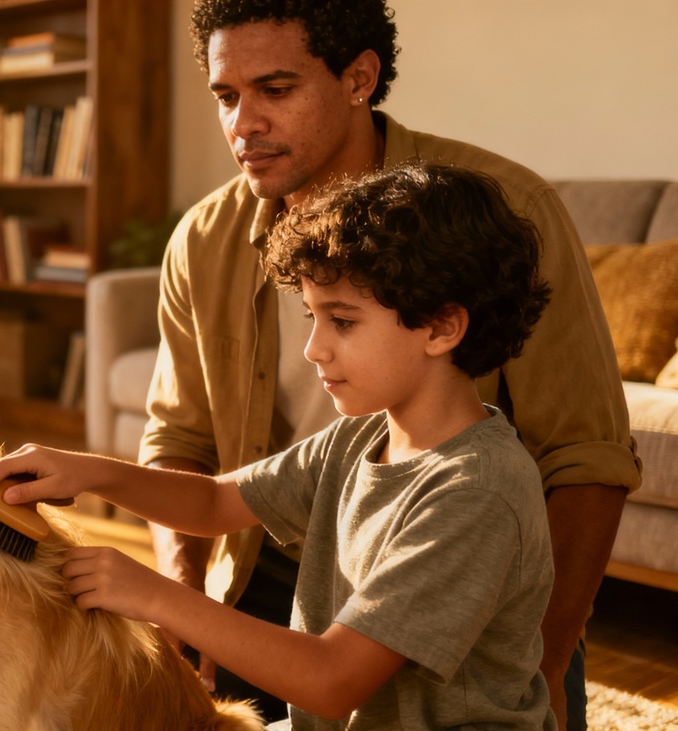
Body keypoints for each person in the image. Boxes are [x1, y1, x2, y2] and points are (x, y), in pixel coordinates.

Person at [140, 2, 640, 727]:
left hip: (462, 585)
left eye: (275, 89)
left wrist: (545, 663)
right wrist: (181, 602)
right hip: (276, 572)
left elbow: (588, 457)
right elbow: (180, 443)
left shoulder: (508, 210)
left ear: (359, 78)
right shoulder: (202, 240)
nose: (242, 124)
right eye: (225, 96)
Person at [0, 162, 558, 729]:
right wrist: (91, 473)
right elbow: (216, 503)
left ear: (441, 327)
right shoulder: (360, 437)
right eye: (313, 317)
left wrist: (155, 596)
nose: (313, 349)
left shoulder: (477, 490)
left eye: (342, 322)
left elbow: (332, 682)